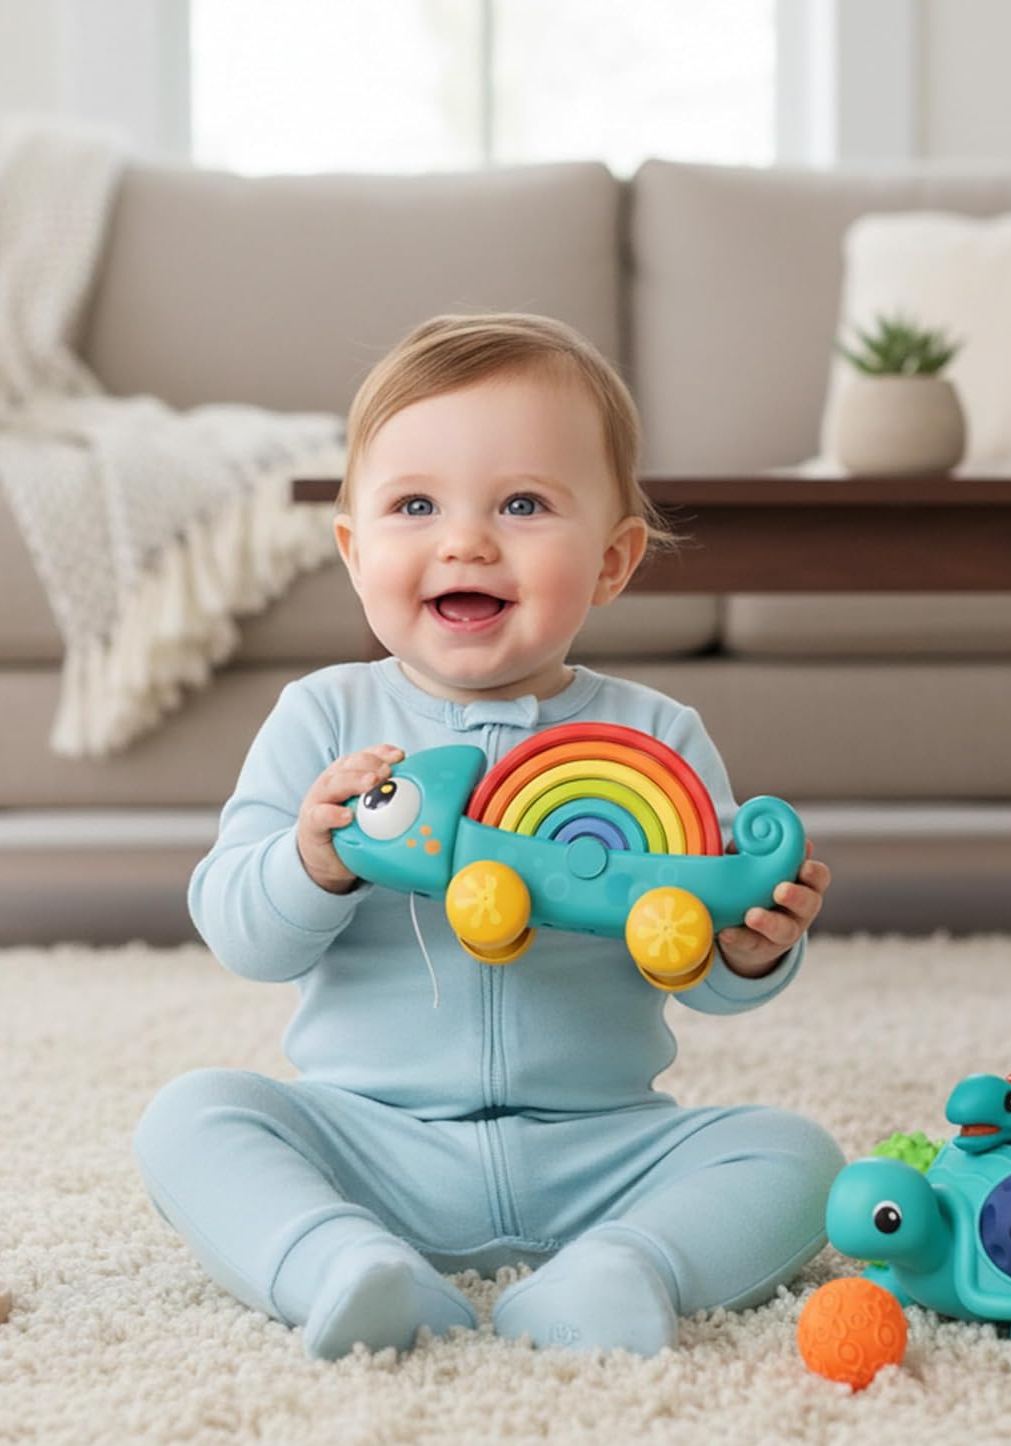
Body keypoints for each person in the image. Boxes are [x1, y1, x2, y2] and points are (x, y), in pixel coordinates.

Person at [134, 313, 843, 1361]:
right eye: (415, 505)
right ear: (354, 549)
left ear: (612, 562)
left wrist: (751, 949)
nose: (465, 540)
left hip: (604, 1148)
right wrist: (312, 859)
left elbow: (698, 966)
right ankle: (344, 1262)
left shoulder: (656, 737)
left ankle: (627, 1267)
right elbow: (241, 932)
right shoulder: (324, 720)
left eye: (521, 504)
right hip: (374, 1143)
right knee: (192, 1118)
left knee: (797, 1156)